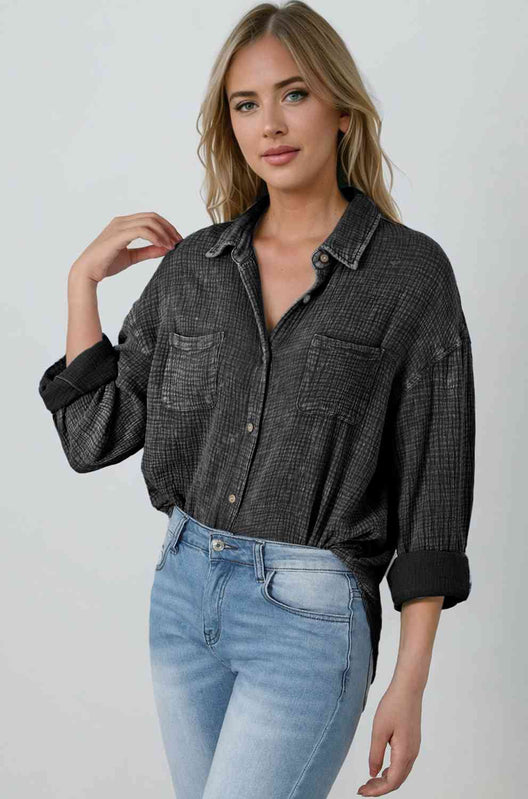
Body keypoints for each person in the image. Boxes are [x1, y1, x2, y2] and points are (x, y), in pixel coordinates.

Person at [38, 2, 475, 797]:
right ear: (229, 124)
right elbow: (93, 435)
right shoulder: (196, 269)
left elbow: (433, 493)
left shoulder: (410, 277)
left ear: (341, 111)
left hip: (309, 617)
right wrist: (81, 284)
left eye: (293, 94)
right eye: (245, 104)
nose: (269, 123)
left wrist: (407, 682)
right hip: (182, 601)